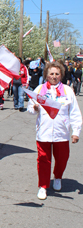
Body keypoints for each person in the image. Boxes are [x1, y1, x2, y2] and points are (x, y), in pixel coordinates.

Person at [27, 61, 81, 200]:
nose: (54, 76)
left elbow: (74, 112)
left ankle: (58, 177)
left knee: (62, 159)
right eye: (51, 74)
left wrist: (76, 132)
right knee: (43, 159)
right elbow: (30, 109)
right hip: (43, 132)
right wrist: (35, 108)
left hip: (61, 132)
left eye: (57, 74)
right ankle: (43, 186)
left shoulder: (68, 91)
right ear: (46, 75)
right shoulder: (39, 89)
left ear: (61, 75)